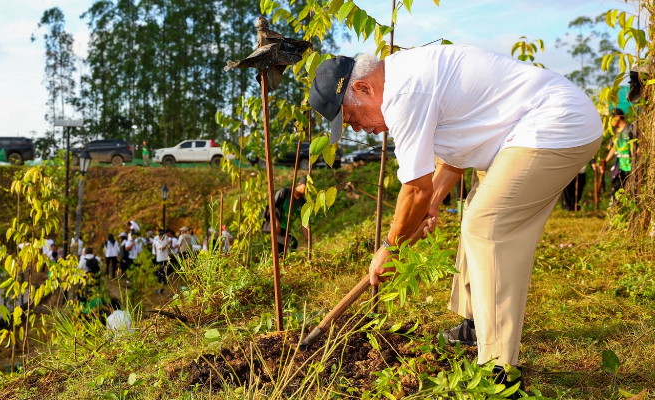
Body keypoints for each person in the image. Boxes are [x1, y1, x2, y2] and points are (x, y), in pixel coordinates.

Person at [309, 46, 602, 392]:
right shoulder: (406, 77)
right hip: (518, 130)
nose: (359, 129)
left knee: (486, 226)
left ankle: (498, 373)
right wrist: (434, 200)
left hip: (556, 122)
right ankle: (476, 325)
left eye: (352, 118)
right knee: (476, 214)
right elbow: (456, 151)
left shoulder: (404, 94)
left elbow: (414, 190)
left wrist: (391, 248)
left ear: (364, 88)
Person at [262, 176, 307, 254]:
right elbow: (270, 207)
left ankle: (285, 260)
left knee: (280, 253)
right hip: (273, 227)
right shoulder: (285, 192)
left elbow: (304, 222)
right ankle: (290, 258)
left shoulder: (302, 202)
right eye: (306, 187)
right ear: (299, 184)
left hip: (284, 230)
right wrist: (276, 222)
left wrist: (307, 239)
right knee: (292, 243)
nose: (308, 190)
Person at [603, 108, 635, 204]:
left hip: (630, 164)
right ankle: (615, 208)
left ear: (617, 117)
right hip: (619, 165)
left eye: (611, 118)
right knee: (616, 187)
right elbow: (614, 148)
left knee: (630, 189)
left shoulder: (630, 128)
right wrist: (605, 161)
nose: (610, 122)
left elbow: (637, 145)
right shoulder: (615, 133)